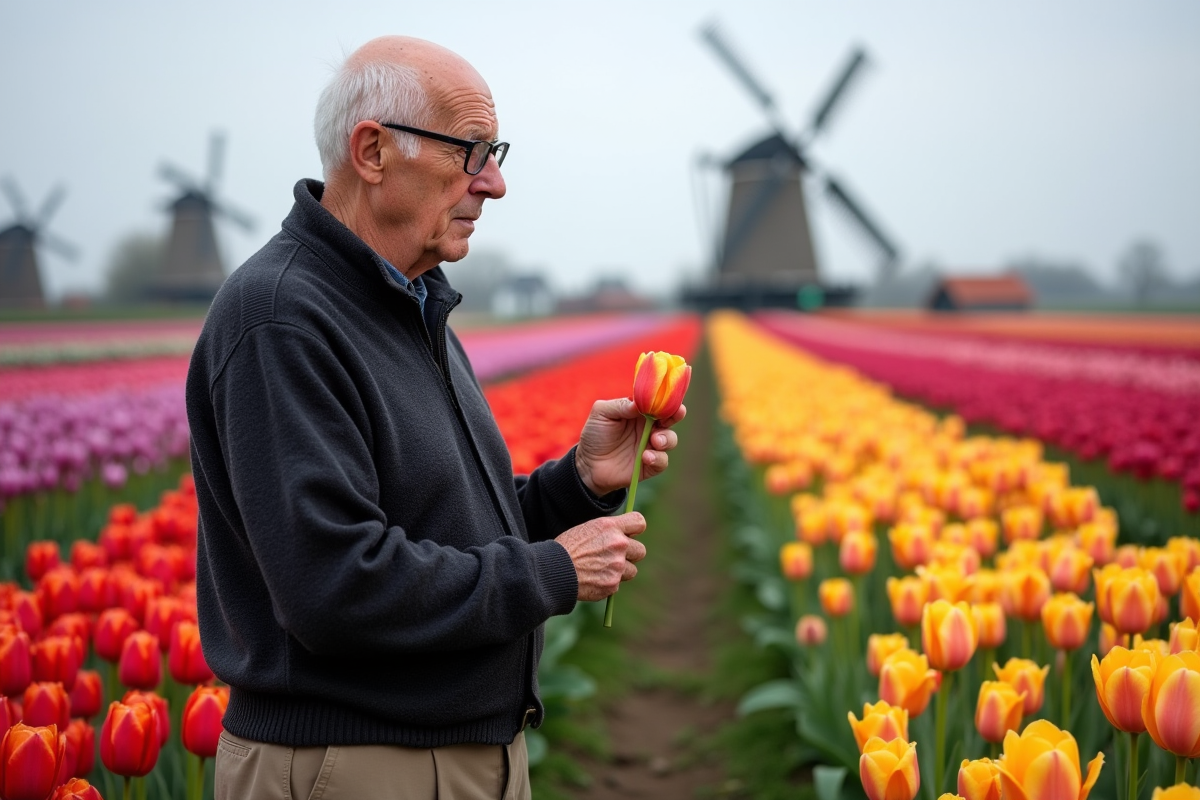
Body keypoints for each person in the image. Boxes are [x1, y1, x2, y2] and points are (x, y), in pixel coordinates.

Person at [185, 35, 684, 800]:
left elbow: (445, 535)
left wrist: (576, 486)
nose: (495, 184)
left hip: (454, 756)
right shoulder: (282, 317)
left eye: (497, 151)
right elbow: (335, 587)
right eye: (472, 152)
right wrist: (553, 570)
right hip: (357, 765)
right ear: (373, 152)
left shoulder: (408, 303)